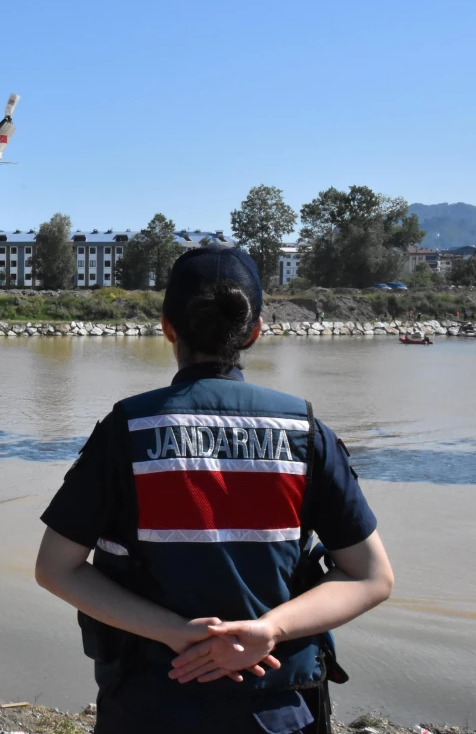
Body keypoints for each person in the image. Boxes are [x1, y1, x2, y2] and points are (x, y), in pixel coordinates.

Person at [34, 244, 393, 734]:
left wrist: (178, 634)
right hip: (280, 711)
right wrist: (269, 630)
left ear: (166, 327)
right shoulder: (306, 433)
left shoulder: (127, 430)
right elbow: (372, 577)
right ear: (254, 332)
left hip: (150, 706)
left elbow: (55, 568)